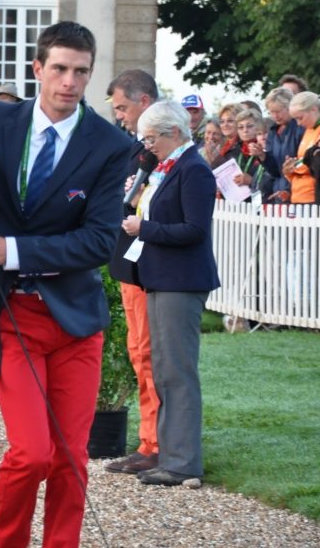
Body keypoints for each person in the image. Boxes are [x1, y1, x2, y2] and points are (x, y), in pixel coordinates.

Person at [0, 21, 132, 548]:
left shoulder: (108, 144)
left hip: (77, 322)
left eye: (81, 71)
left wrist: (9, 250)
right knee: (32, 453)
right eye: (59, 68)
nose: (69, 82)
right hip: (13, 315)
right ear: (37, 69)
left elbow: (100, 242)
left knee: (71, 458)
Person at [120, 100, 219, 487]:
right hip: (160, 279)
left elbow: (194, 229)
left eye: (152, 138)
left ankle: (184, 463)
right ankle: (170, 455)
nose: (147, 146)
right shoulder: (168, 168)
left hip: (182, 282)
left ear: (174, 133)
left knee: (178, 372)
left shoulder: (194, 170)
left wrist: (143, 228)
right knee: (163, 370)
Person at [103, 69, 163, 477]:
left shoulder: (164, 156)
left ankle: (156, 443)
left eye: (123, 107)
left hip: (151, 269)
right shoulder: (135, 153)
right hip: (128, 263)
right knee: (138, 353)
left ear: (144, 102)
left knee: (149, 356)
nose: (120, 116)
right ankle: (148, 441)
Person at [283, 91, 320, 205]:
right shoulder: (309, 130)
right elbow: (304, 159)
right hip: (299, 195)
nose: (298, 123)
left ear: (314, 109)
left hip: (313, 195)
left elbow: (313, 160)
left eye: (300, 118)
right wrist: (289, 169)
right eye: (295, 119)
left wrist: (293, 167)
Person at [258, 87, 302, 203]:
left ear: (289, 107)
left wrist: (289, 190)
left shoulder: (300, 129)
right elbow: (275, 171)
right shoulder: (273, 132)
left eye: (278, 111)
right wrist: (263, 155)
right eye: (271, 112)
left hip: (297, 192)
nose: (275, 116)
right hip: (279, 192)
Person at [228, 108, 267, 197]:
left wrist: (252, 181)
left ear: (259, 127)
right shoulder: (235, 152)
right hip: (239, 203)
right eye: (240, 127)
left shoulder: (266, 149)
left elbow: (273, 178)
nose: (245, 130)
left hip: (264, 201)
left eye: (249, 126)